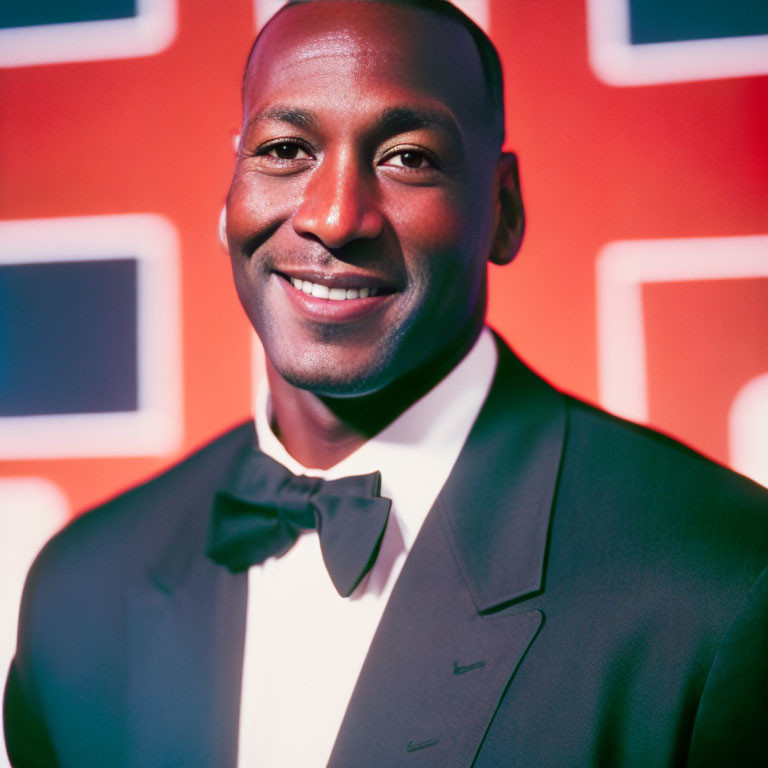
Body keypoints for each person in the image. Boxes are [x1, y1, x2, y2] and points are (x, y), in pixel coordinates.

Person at [4, 0, 768, 765]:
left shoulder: (725, 583)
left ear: (503, 208)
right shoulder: (79, 590)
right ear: (229, 192)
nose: (334, 217)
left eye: (407, 157)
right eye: (285, 150)